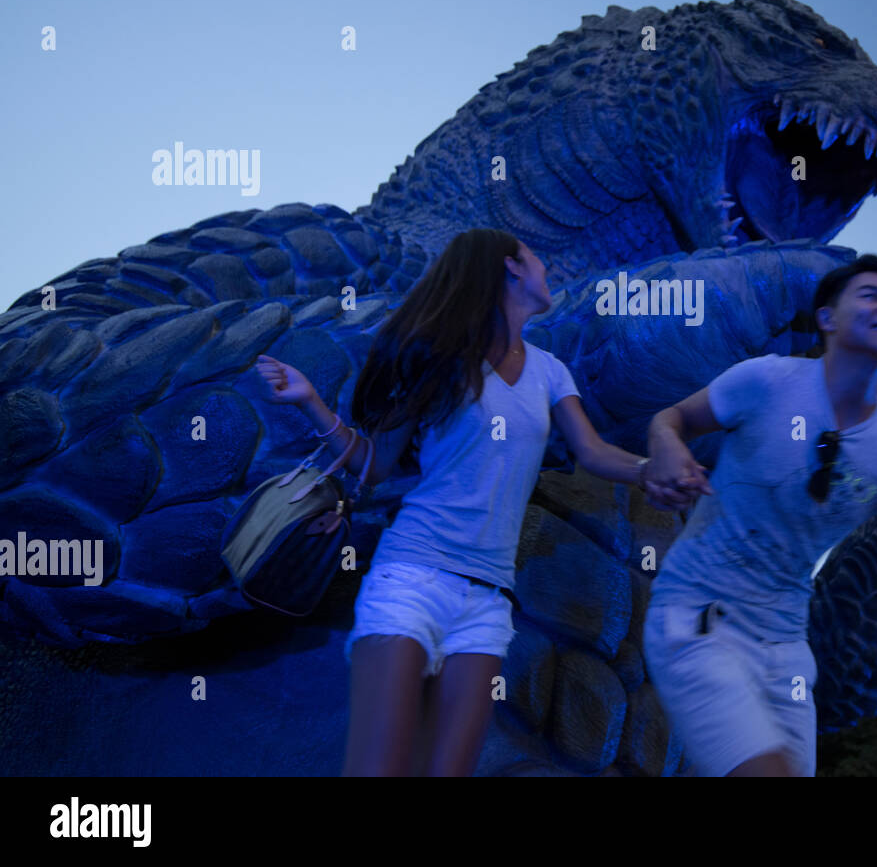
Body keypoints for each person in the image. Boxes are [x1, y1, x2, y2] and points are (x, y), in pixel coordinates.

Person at [255, 228, 689, 776]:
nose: (545, 270)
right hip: (411, 580)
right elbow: (373, 465)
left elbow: (595, 454)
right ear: (509, 268)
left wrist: (656, 471)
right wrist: (309, 401)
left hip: (487, 603)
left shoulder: (550, 371)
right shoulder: (439, 361)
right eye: (535, 260)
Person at [641, 253, 877, 777]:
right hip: (698, 617)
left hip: (786, 650)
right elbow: (669, 420)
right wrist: (666, 446)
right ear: (828, 319)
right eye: (873, 295)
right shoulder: (764, 381)